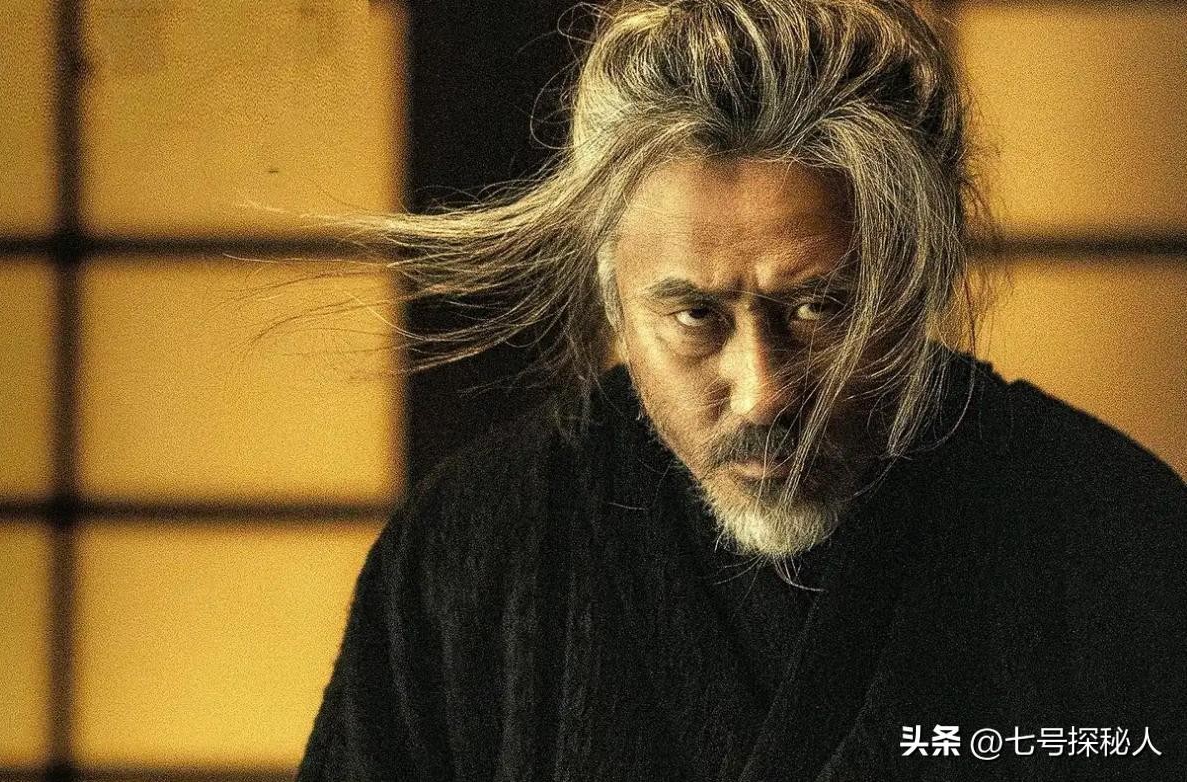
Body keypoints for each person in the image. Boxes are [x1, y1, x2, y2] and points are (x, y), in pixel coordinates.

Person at [298, 1, 1187, 779]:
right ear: (614, 296)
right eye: (694, 316)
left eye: (820, 309)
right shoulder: (475, 542)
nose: (763, 393)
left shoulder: (1111, 533)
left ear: (914, 284)